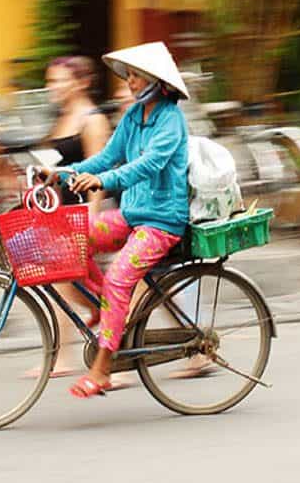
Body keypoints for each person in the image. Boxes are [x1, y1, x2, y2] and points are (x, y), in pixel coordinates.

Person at [45, 41, 190, 399]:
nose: (130, 82)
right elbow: (107, 157)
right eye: (130, 76)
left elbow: (150, 164)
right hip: (132, 215)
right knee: (76, 239)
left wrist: (104, 181)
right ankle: (102, 310)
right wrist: (62, 173)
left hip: (161, 222)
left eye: (138, 77)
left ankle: (102, 370)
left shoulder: (170, 119)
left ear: (158, 81)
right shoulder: (132, 117)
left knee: (119, 280)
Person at [43, 56, 111, 375]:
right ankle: (62, 357)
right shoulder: (62, 118)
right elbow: (61, 169)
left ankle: (105, 324)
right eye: (50, 81)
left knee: (126, 286)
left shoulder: (92, 120)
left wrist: (92, 219)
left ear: (81, 82)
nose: (52, 87)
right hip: (64, 213)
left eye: (58, 81)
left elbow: (97, 176)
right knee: (62, 283)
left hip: (86, 213)